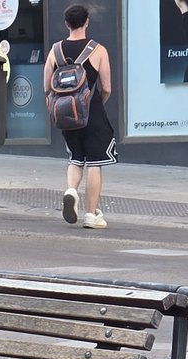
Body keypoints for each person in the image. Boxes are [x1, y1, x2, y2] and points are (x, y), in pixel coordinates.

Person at [45, 4, 114, 230]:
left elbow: (47, 87)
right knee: (95, 162)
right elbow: (106, 88)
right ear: (87, 22)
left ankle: (71, 191)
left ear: (66, 24)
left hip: (66, 112)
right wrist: (95, 105)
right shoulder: (98, 50)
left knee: (75, 158)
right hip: (91, 112)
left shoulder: (55, 51)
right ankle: (91, 214)